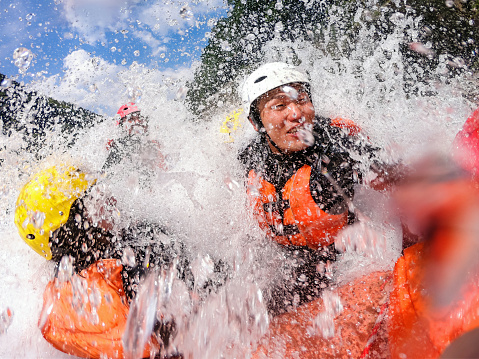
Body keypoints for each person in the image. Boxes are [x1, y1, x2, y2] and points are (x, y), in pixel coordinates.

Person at [239, 62, 401, 314]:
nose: (296, 114)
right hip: (290, 258)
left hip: (345, 260)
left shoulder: (337, 148)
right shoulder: (250, 159)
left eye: (302, 100)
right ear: (256, 123)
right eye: (280, 105)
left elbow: (401, 181)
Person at [14, 164, 193, 358]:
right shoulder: (136, 254)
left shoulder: (58, 302)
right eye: (94, 199)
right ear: (74, 230)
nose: (111, 202)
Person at [104, 102, 167, 172]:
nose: (137, 122)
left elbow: (165, 172)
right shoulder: (116, 146)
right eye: (131, 119)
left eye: (140, 118)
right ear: (121, 126)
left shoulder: (154, 146)